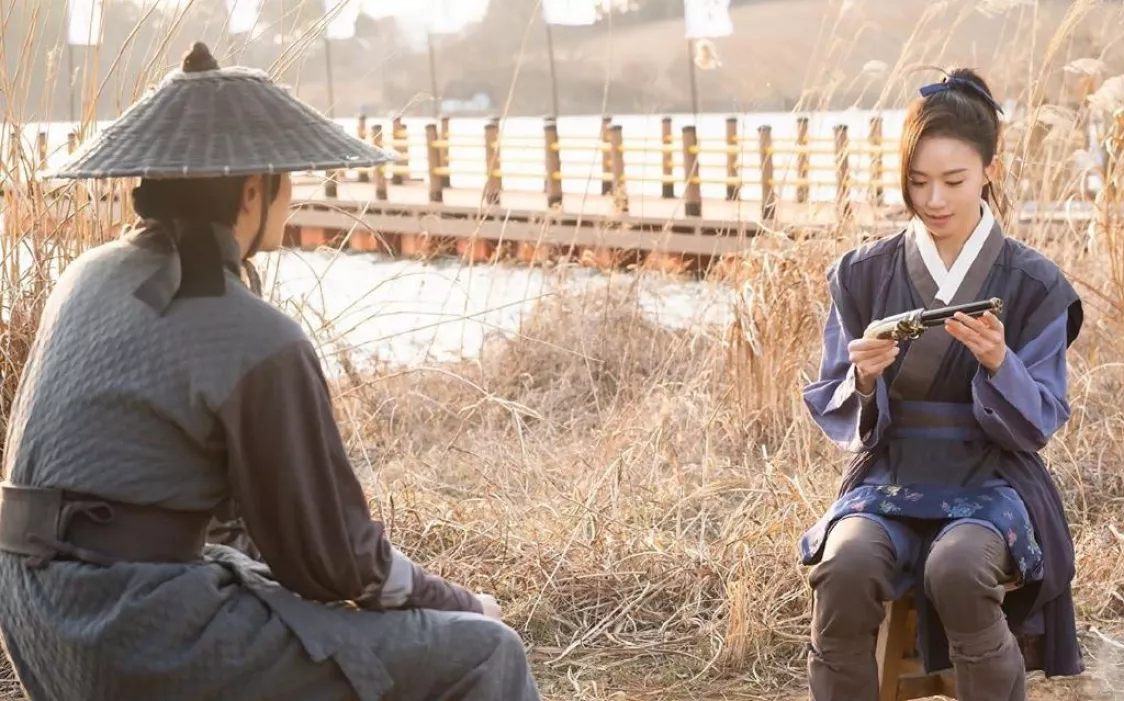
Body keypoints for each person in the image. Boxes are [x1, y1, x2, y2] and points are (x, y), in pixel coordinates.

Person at [0, 42, 541, 701]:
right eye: (288, 180)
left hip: (34, 615)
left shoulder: (83, 278)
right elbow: (336, 560)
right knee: (485, 653)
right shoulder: (256, 335)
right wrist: (462, 602)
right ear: (253, 191)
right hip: (138, 636)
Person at [797, 67, 1085, 701]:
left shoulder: (1032, 283)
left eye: (954, 181)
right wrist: (864, 378)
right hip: (889, 474)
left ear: (989, 170)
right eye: (918, 182)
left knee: (957, 568)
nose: (935, 200)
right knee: (843, 567)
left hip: (992, 478)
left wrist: (998, 365)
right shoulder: (863, 274)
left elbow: (1041, 418)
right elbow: (835, 395)